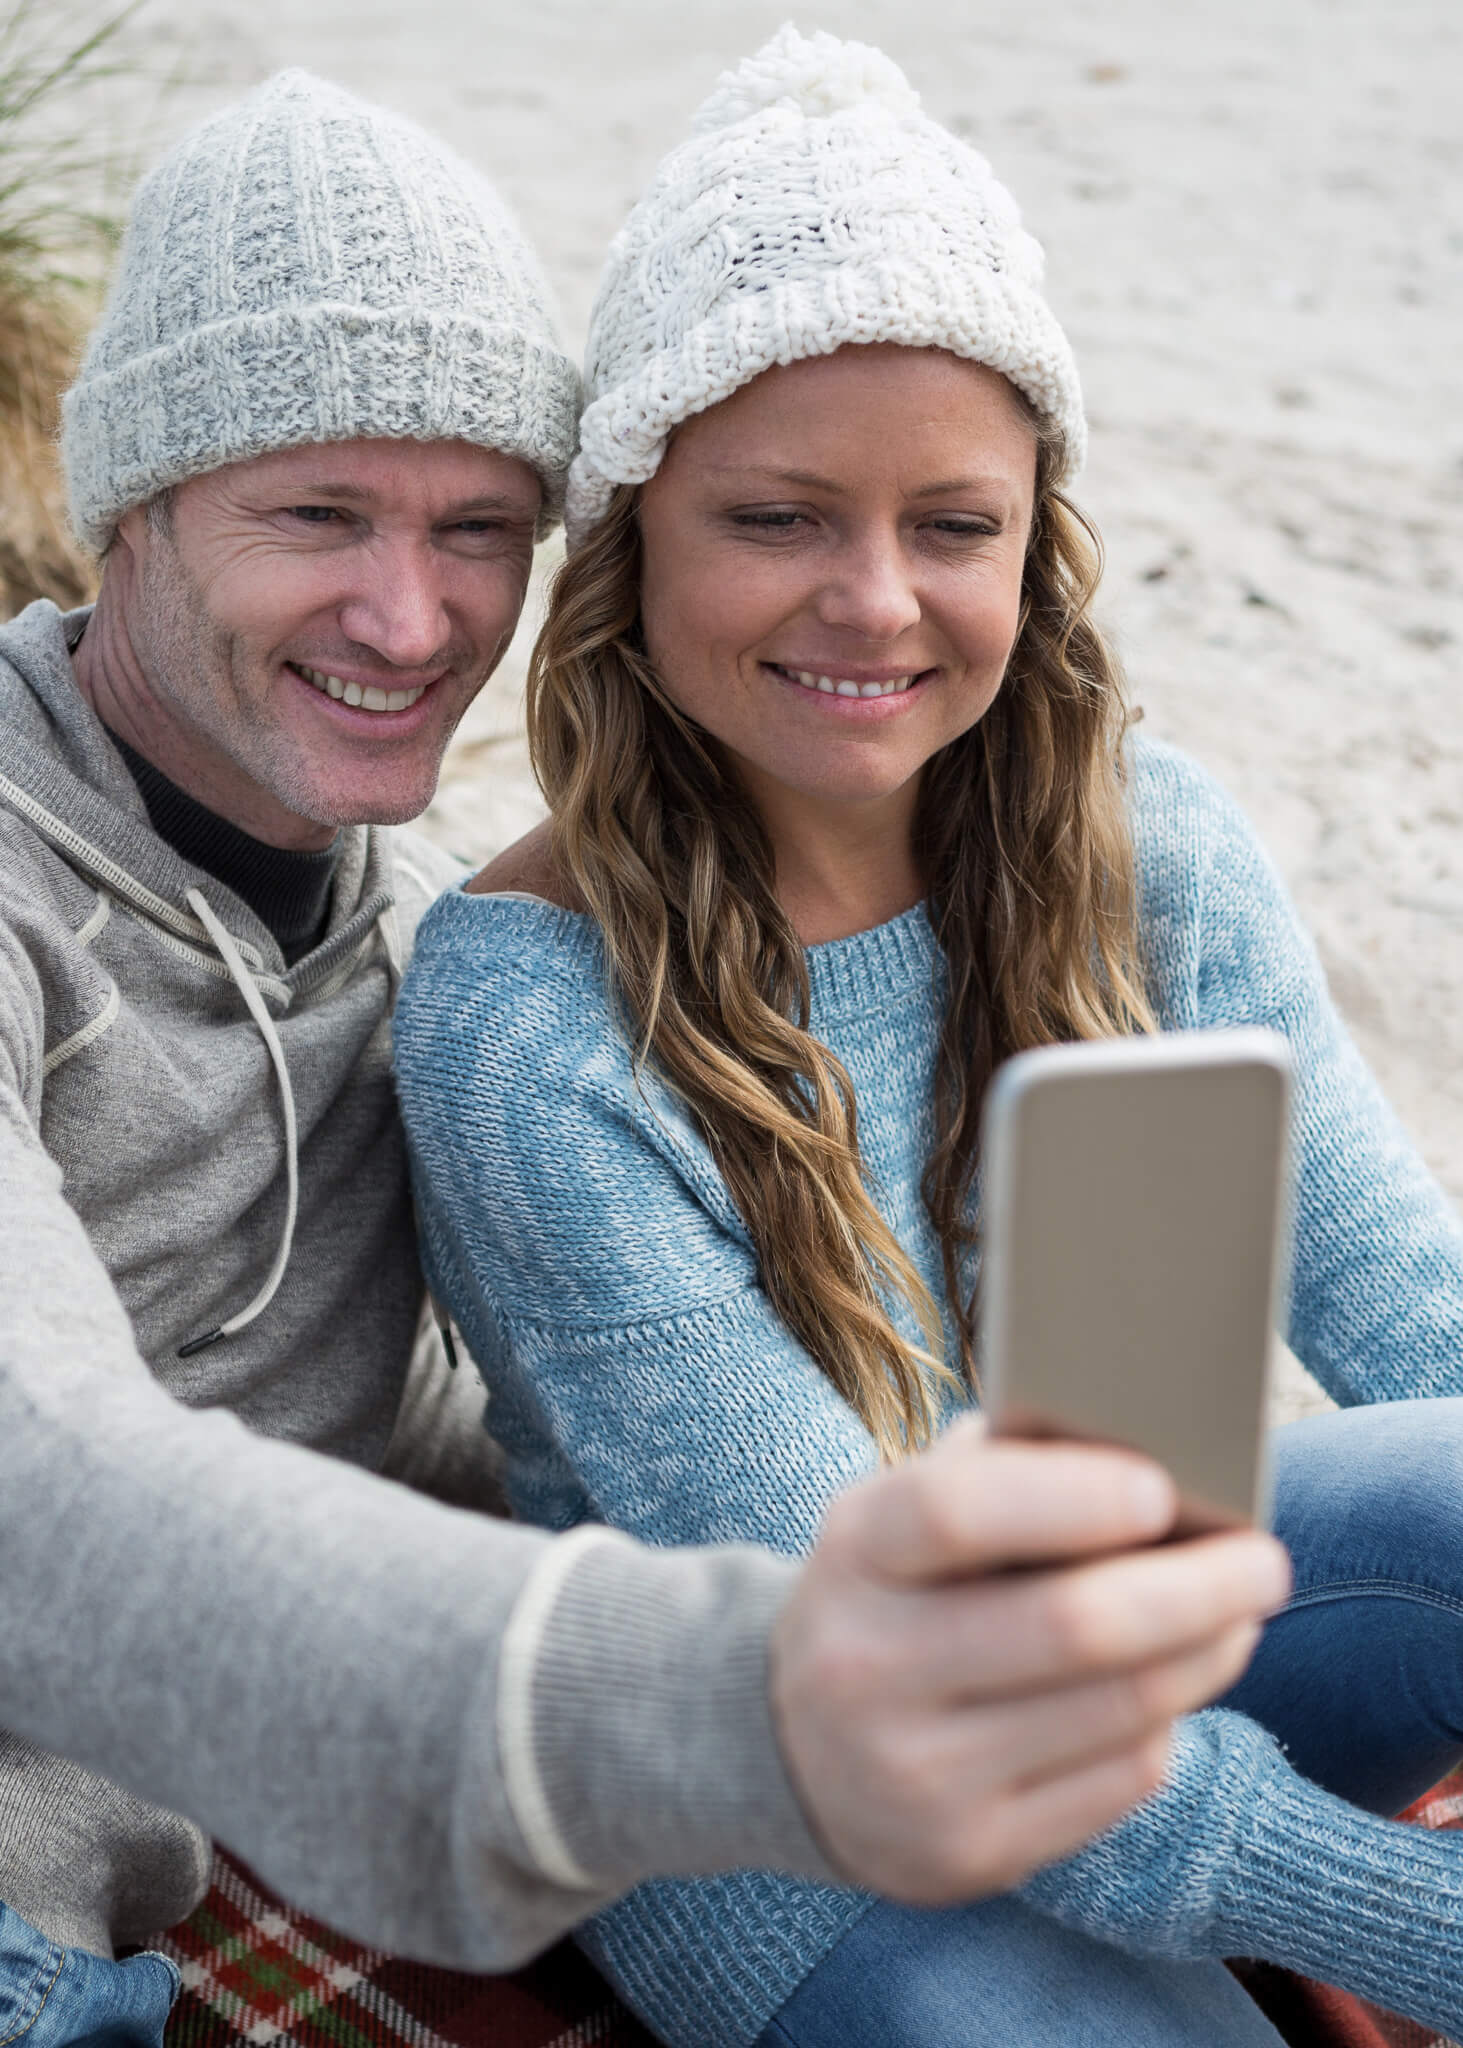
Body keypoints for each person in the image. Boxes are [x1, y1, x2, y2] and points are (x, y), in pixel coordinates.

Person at [0, 58, 1289, 2048]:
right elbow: (55, 1486)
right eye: (315, 512)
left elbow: (419, 1409)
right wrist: (738, 1678)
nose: (412, 613)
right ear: (133, 515)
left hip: (317, 1797)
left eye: (480, 525)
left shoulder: (396, 915)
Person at [394, 25, 1463, 2048]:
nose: (873, 601)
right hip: (768, 1793)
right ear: (635, 544)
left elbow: (1416, 1328)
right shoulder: (520, 1027)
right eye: (780, 517)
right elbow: (910, 1672)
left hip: (1137, 1615)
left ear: (1033, 538)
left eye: (950, 525)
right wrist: (1416, 1921)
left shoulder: (1152, 848)